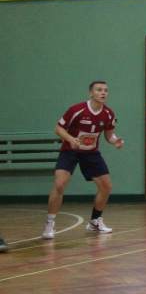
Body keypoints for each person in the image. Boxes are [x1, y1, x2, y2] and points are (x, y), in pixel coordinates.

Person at [42, 81, 124, 239]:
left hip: (90, 153)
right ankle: (49, 223)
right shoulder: (76, 110)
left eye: (106, 90)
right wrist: (71, 139)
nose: (103, 93)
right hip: (70, 151)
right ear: (91, 93)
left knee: (106, 186)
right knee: (59, 184)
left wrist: (116, 141)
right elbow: (58, 128)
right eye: (99, 90)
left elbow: (109, 135)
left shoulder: (108, 114)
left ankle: (94, 221)